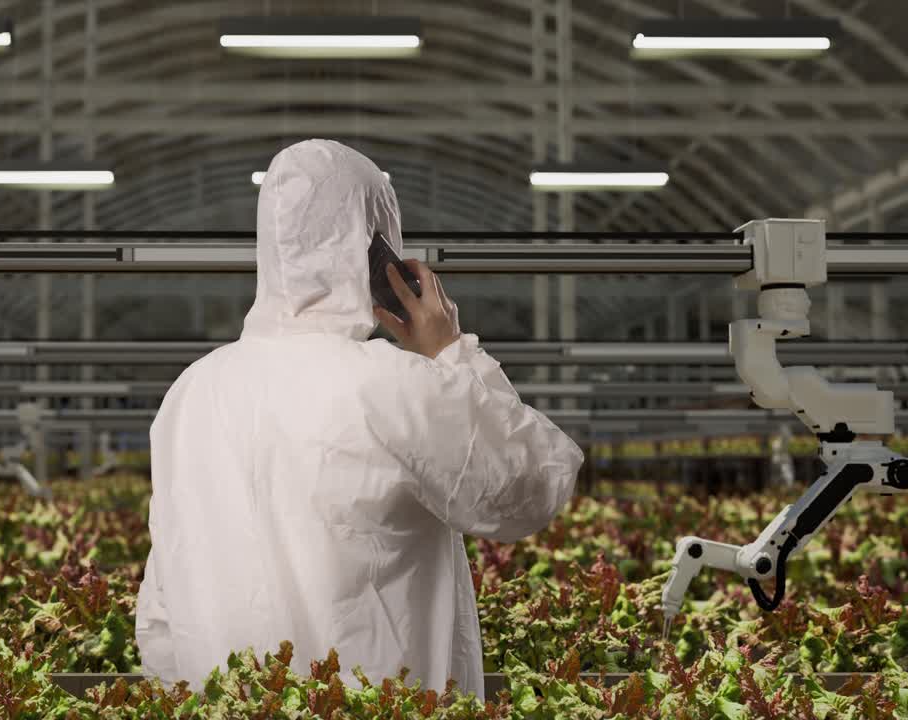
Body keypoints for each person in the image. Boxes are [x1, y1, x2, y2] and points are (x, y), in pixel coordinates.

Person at [136, 138, 583, 698]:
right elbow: (533, 484)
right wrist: (452, 353)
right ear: (375, 251)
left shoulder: (191, 394)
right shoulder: (391, 385)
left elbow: (161, 603)